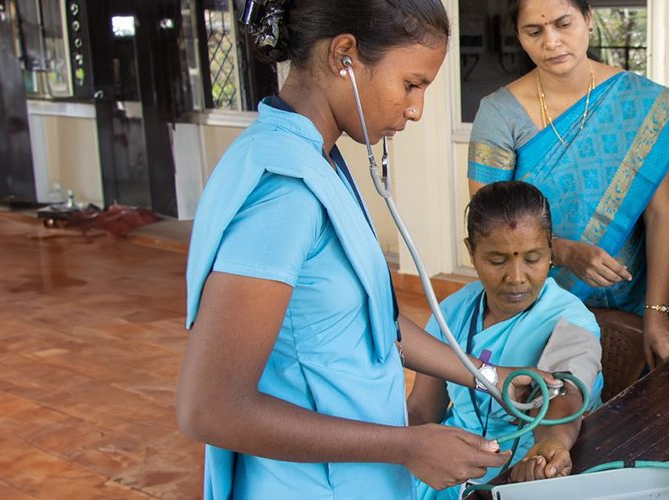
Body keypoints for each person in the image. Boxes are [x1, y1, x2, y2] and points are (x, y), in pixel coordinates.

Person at [175, 1, 558, 498]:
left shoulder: (319, 159)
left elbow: (370, 319)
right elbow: (210, 407)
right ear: (345, 56)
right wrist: (406, 446)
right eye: (411, 84)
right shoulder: (284, 195)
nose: (417, 109)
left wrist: (486, 375)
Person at [466, 0, 669, 369]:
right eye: (534, 31)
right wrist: (564, 253)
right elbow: (488, 225)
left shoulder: (640, 103)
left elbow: (663, 216)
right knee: (539, 408)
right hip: (533, 299)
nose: (551, 42)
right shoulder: (499, 113)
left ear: (589, 20)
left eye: (564, 24)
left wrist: (657, 312)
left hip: (629, 298)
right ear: (519, 35)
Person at [408, 181, 603, 499]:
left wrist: (549, 446)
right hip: (447, 467)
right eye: (497, 261)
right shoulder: (453, 311)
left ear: (551, 251)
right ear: (471, 252)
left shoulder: (573, 321)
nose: (515, 276)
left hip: (527, 466)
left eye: (532, 259)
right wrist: (403, 453)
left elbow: (564, 396)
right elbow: (421, 411)